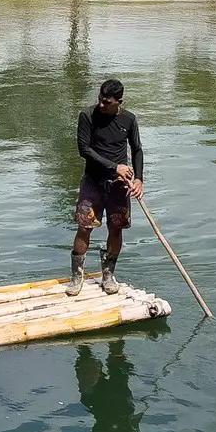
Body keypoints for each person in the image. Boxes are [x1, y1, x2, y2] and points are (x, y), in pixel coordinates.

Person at [71, 78, 143, 296]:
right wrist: (115, 167)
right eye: (100, 99)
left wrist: (138, 179)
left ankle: (108, 274)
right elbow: (84, 150)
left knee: (116, 228)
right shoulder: (87, 116)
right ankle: (77, 276)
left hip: (119, 186)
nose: (101, 105)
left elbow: (137, 149)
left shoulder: (129, 119)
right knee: (85, 226)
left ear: (118, 102)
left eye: (107, 102)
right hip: (93, 181)